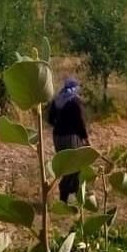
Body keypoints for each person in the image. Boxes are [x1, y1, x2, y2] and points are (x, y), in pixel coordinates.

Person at [44, 76, 90, 204]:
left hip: (58, 137)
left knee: (65, 165)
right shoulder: (75, 101)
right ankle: (67, 195)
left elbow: (50, 119)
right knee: (75, 166)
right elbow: (81, 122)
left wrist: (60, 126)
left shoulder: (57, 100)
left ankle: (70, 196)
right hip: (71, 137)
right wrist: (86, 139)